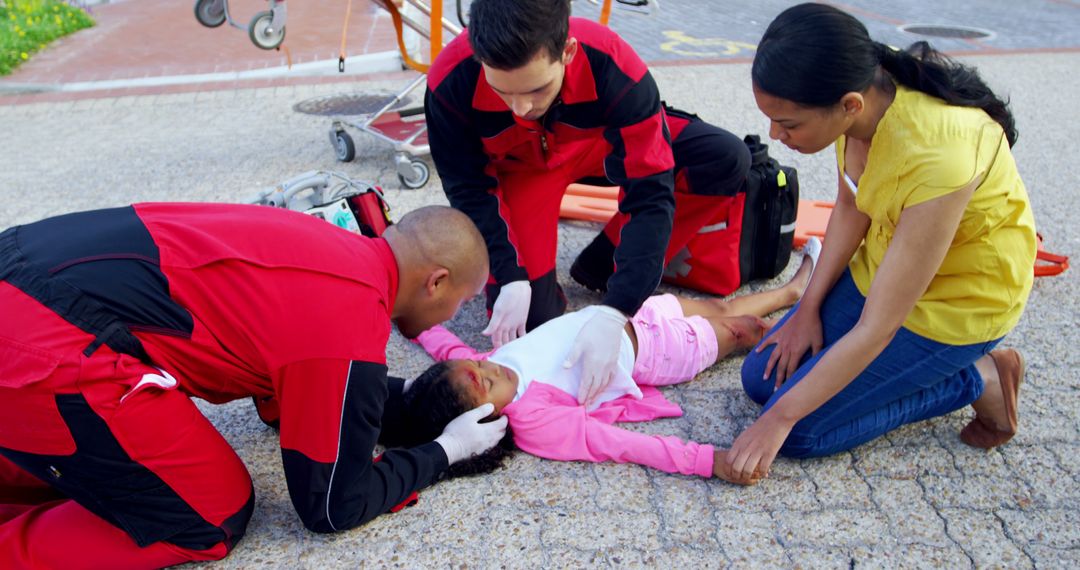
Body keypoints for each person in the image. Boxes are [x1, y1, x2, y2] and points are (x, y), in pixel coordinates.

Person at [0, 203, 507, 568]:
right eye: (460, 303)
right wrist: (445, 452)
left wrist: (417, 407)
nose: (453, 315)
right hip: (38, 347)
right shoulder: (349, 323)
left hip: (23, 269)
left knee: (114, 469)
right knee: (209, 518)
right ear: (436, 281)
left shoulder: (324, 242)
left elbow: (290, 399)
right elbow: (333, 505)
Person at [724, 3, 1037, 484]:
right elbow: (852, 203)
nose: (774, 135)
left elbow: (877, 329)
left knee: (801, 432)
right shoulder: (860, 91)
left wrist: (779, 421)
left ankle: (981, 375)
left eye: (788, 124)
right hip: (891, 270)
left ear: (849, 105)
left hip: (956, 304)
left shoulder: (938, 157)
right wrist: (807, 307)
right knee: (761, 377)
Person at [425, 0, 751, 409]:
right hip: (523, 173)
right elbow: (469, 188)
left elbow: (650, 191)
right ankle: (557, 275)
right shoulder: (450, 81)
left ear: (568, 52)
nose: (521, 108)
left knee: (726, 157)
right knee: (534, 325)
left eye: (535, 89)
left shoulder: (614, 64)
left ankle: (605, 263)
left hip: (595, 144)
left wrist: (619, 309)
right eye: (502, 91)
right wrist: (508, 272)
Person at [399, 246, 818, 482]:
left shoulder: (472, 369)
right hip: (661, 352)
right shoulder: (533, 419)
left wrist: (402, 312)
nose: (492, 368)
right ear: (484, 419)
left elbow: (440, 341)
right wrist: (708, 461)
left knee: (715, 306)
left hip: (625, 313)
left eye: (480, 364)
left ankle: (791, 293)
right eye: (487, 383)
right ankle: (809, 328)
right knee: (744, 330)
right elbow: (616, 445)